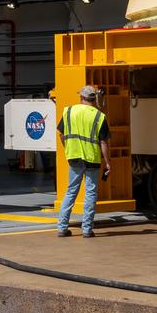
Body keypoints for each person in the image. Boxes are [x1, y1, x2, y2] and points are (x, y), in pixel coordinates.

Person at [56, 85, 110, 238]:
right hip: (92, 158)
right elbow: (103, 142)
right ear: (94, 99)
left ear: (81, 97)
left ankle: (62, 227)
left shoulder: (69, 111)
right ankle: (87, 230)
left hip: (74, 157)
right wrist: (107, 162)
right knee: (90, 193)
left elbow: (61, 134)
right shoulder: (99, 116)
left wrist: (68, 147)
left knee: (71, 191)